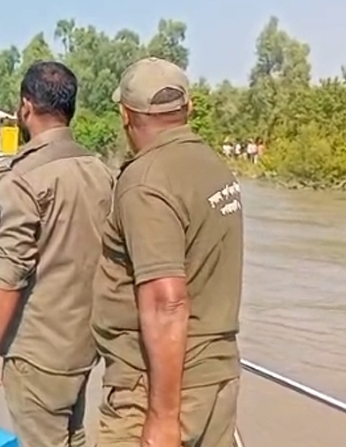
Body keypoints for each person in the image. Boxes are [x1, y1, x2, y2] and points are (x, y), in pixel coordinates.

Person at [92, 58, 244, 447]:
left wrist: (162, 418)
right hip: (215, 376)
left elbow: (167, 302)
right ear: (188, 108)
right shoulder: (213, 167)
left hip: (157, 389)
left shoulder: (146, 182)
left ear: (126, 115)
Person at [0, 61, 114, 447]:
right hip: (86, 343)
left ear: (26, 106)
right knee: (73, 434)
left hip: (39, 350)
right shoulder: (99, 169)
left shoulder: (22, 176)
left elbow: (9, 272)